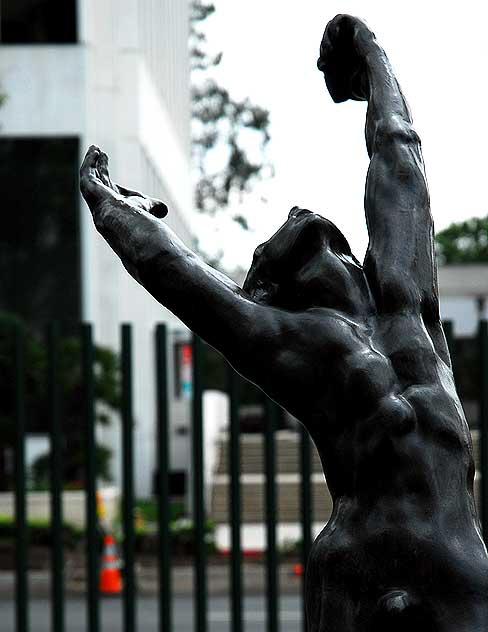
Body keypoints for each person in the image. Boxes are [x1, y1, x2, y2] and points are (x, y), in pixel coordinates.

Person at [80, 14, 488, 630]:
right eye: (271, 245)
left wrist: (369, 53)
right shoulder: (307, 348)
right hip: (362, 576)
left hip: (456, 569)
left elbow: (399, 156)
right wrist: (113, 210)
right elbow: (189, 283)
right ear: (275, 289)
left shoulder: (408, 309)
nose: (296, 210)